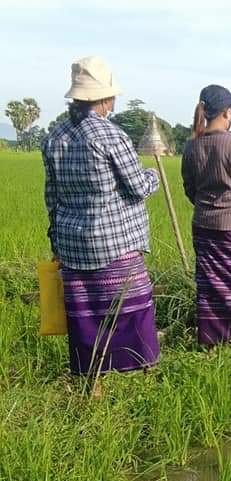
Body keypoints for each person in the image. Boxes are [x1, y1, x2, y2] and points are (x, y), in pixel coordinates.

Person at [42, 56, 161, 376]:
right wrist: (153, 176)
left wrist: (56, 241)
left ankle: (91, 380)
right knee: (132, 311)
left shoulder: (54, 137)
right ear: (106, 98)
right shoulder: (111, 135)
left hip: (73, 245)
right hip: (115, 243)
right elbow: (137, 187)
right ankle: (138, 374)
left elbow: (51, 197)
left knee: (86, 318)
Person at [181, 84, 231, 348]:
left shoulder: (192, 147)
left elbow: (189, 187)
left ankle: (211, 341)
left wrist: (205, 206)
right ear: (227, 112)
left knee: (209, 284)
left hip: (203, 224)